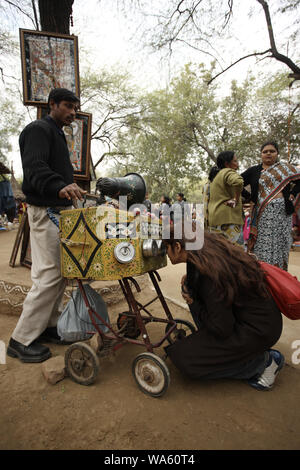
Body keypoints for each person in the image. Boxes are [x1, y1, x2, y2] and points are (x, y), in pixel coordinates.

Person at [7, 88, 87, 363]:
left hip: (58, 212)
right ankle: (21, 339)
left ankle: (49, 326)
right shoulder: (38, 129)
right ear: (52, 104)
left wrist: (69, 187)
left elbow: (51, 171)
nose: (72, 112)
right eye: (67, 106)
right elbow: (34, 168)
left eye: (74, 108)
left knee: (60, 273)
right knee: (50, 275)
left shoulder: (56, 133)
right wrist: (59, 186)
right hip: (46, 212)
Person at [163, 227, 284, 391]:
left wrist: (194, 303)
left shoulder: (209, 272)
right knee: (190, 290)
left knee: (184, 359)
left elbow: (222, 328)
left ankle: (262, 363)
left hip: (258, 330)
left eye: (166, 248)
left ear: (177, 246)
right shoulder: (205, 256)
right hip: (257, 322)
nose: (166, 253)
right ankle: (241, 354)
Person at [241, 141, 300, 270]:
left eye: (272, 151)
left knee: (280, 245)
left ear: (277, 153)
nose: (268, 154)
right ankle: (264, 274)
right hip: (261, 215)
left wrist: (292, 193)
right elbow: (237, 182)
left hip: (282, 215)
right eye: (265, 151)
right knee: (262, 245)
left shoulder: (286, 169)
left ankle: (280, 275)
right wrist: (249, 197)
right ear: (261, 154)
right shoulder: (254, 171)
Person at [207, 151, 244, 245]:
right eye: (235, 161)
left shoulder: (214, 177)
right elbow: (239, 182)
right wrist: (236, 198)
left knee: (220, 253)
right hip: (229, 219)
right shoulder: (227, 171)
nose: (237, 163)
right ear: (227, 163)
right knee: (236, 253)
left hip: (215, 220)